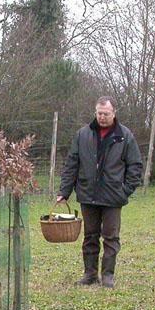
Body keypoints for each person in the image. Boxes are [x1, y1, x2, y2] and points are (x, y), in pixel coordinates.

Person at [56, 96, 143, 288]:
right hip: (88, 195)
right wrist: (65, 191)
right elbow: (72, 164)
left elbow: (135, 167)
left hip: (113, 197)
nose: (102, 117)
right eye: (99, 113)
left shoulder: (125, 136)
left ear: (114, 113)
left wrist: (124, 191)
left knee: (111, 238)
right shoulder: (83, 135)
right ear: (95, 112)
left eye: (106, 113)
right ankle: (90, 274)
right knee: (90, 236)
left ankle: (108, 275)